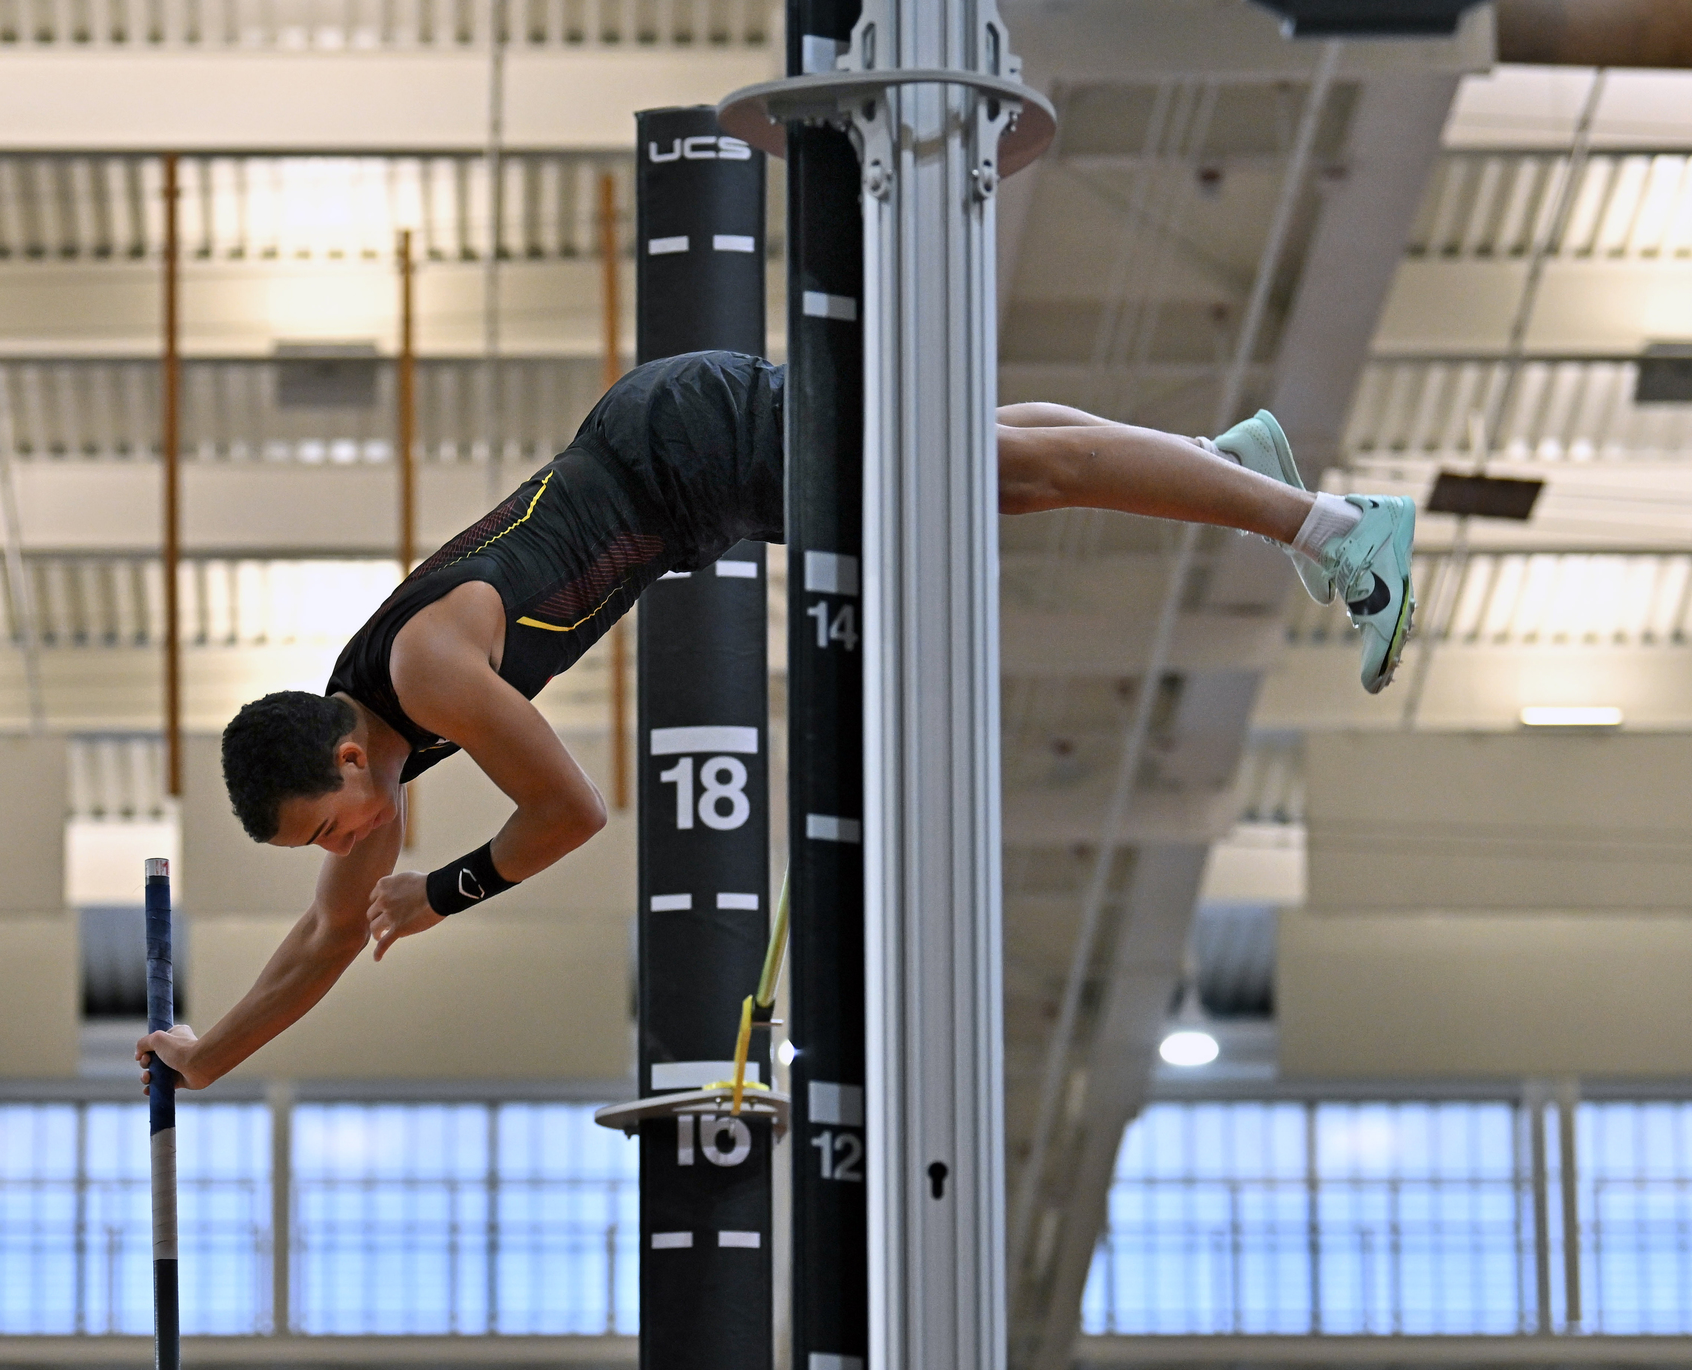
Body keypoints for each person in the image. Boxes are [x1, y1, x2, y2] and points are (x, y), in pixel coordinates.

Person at [136, 349, 1413, 1092]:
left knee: (1006, 478)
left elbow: (572, 811)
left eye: (331, 825)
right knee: (991, 469)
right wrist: (208, 1054)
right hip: (680, 473)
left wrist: (447, 890)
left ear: (348, 756)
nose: (347, 844)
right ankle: (1226, 458)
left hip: (695, 445)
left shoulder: (426, 673)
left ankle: (1342, 534)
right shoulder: (374, 734)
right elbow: (318, 939)